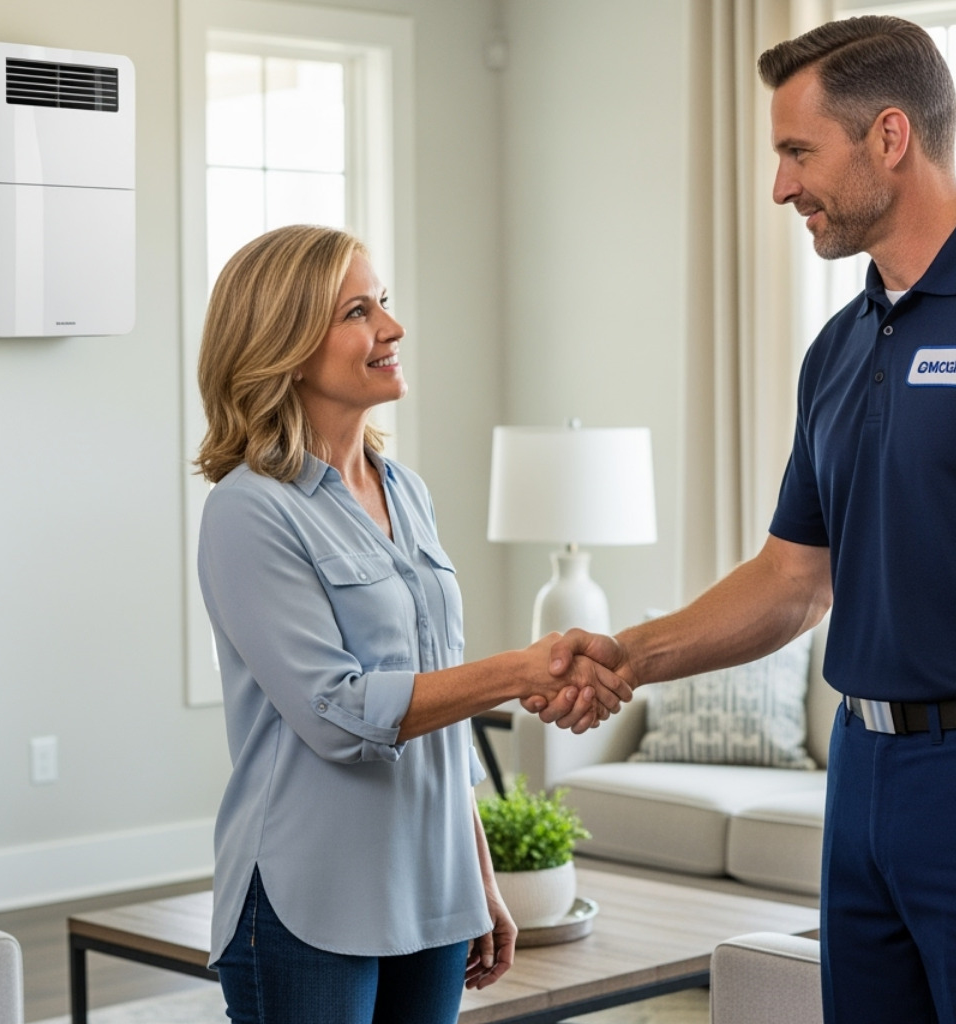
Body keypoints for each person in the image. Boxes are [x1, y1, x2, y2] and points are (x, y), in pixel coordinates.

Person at [536, 15, 956, 1024]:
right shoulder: (840, 346)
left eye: (798, 151)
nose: (781, 186)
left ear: (889, 136)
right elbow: (793, 580)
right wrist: (630, 656)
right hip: (863, 772)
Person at [193, 224, 630, 1024]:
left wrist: (477, 874)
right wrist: (520, 670)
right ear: (286, 345)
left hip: (431, 889)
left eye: (383, 303)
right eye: (358, 311)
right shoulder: (248, 510)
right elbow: (339, 713)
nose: (392, 328)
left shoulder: (407, 492)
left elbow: (441, 713)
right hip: (310, 898)